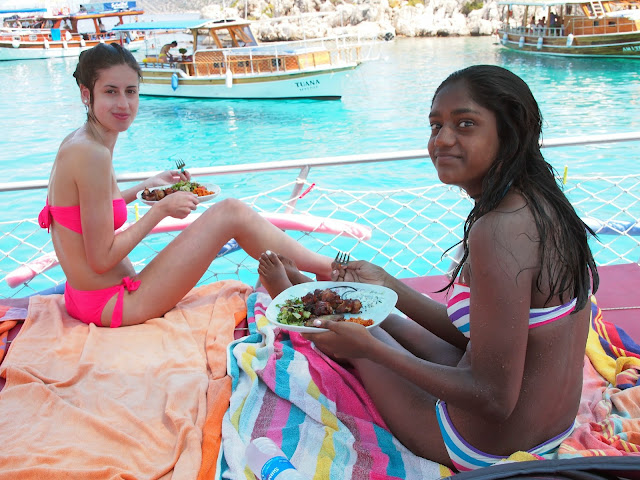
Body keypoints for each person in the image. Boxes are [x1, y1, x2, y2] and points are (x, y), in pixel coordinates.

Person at [258, 65, 599, 472]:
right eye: (435, 125)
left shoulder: (500, 230)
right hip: (548, 429)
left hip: (487, 446)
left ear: (511, 131)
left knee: (366, 343)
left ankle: (304, 306)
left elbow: (492, 397)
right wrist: (389, 285)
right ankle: (319, 302)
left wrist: (369, 352)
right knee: (379, 320)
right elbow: (484, 338)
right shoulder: (542, 204)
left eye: (465, 124)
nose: (442, 139)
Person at [38, 43, 333, 329]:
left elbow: (92, 210)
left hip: (91, 299)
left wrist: (149, 186)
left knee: (231, 212)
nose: (124, 104)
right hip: (113, 305)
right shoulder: (93, 154)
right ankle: (329, 269)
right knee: (231, 213)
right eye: (110, 92)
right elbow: (101, 259)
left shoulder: (82, 141)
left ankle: (324, 269)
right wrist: (161, 210)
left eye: (131, 91)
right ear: (86, 94)